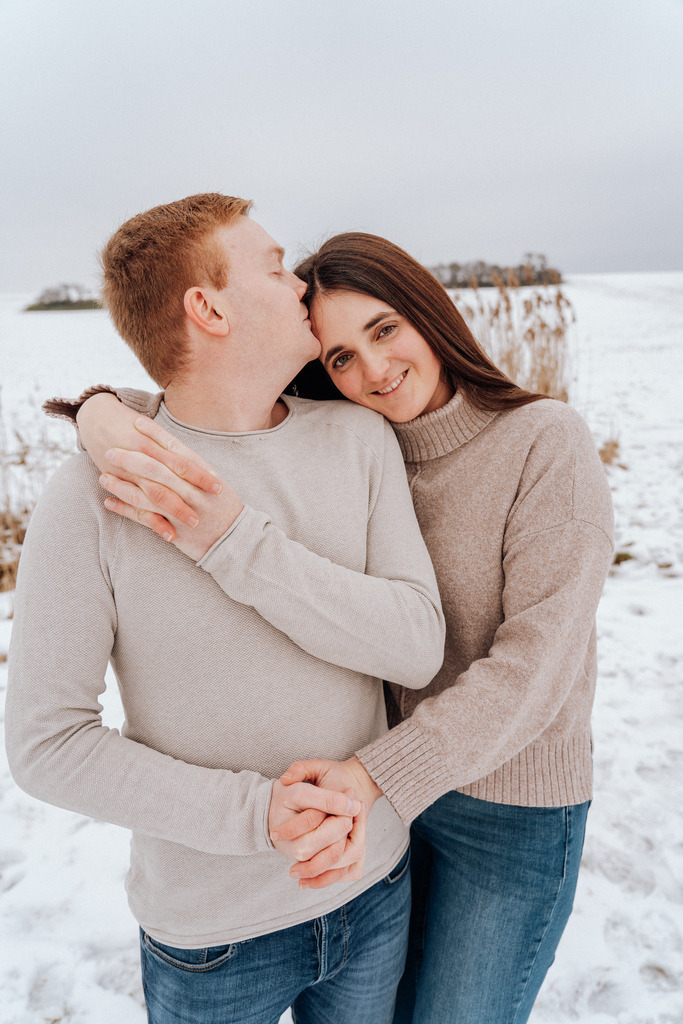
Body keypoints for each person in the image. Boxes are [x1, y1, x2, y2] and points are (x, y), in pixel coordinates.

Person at [47, 229, 614, 1024]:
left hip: (503, 811)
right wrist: (99, 413)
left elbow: (534, 668)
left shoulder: (542, 440)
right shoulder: (357, 436)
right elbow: (212, 405)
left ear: (428, 311)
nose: (372, 371)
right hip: (380, 816)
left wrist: (378, 775)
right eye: (341, 356)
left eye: (384, 330)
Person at [6, 196, 447, 1024]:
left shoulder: (357, 439)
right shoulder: (93, 495)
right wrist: (255, 817)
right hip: (213, 936)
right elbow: (45, 743)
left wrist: (232, 540)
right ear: (207, 308)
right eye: (276, 268)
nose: (302, 286)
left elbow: (416, 646)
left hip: (374, 884)